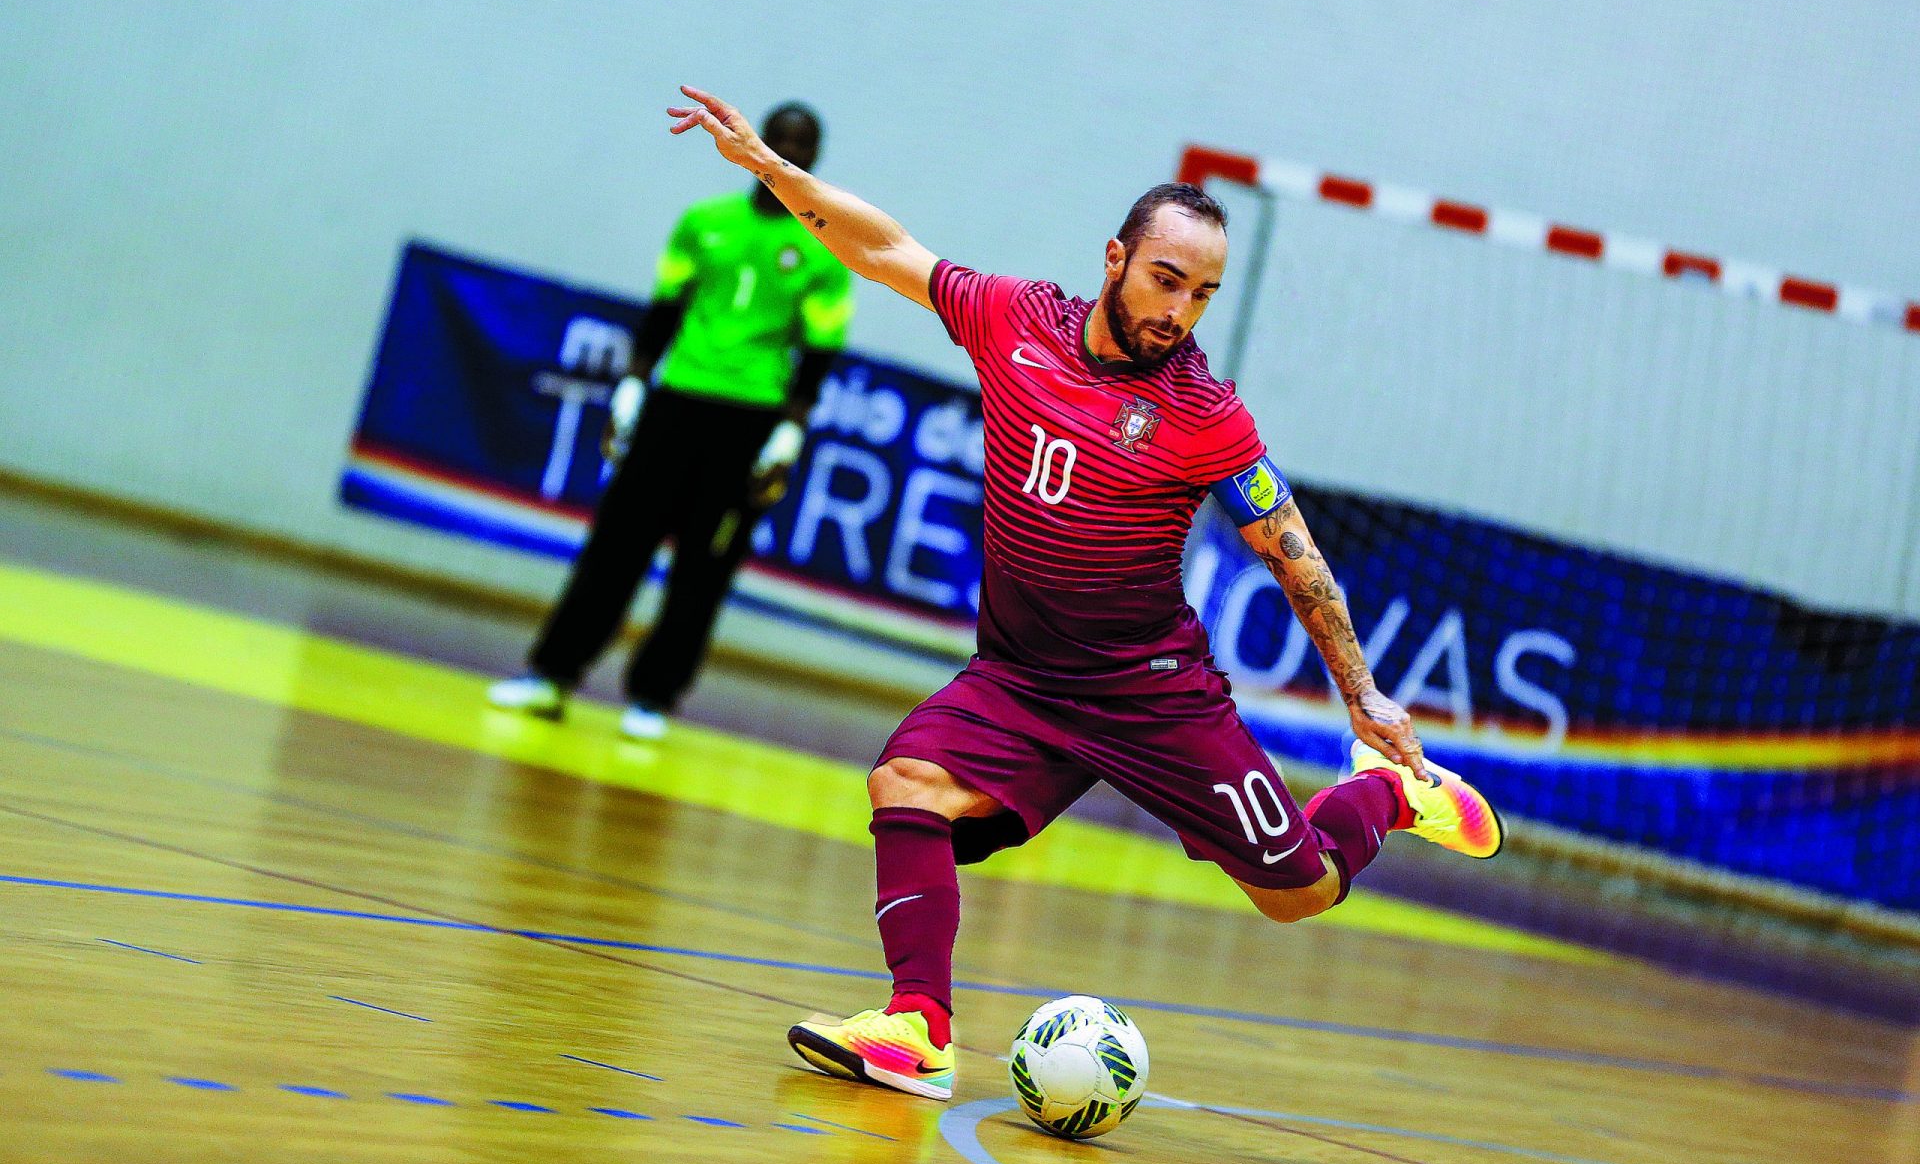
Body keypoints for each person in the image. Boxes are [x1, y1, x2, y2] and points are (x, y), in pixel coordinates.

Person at [667, 86, 1504, 1100]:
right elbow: (885, 247)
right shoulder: (1013, 320)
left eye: (1202, 294)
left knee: (1300, 891)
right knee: (906, 781)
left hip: (1151, 693)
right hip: (1021, 678)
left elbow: (1295, 551)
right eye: (1165, 280)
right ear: (1114, 259)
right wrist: (769, 167)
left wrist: (1364, 697)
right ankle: (919, 1024)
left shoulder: (1204, 412)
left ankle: (1390, 791)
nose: (1179, 312)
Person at [489, 102, 854, 739]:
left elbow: (819, 353)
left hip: (750, 417)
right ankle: (551, 674)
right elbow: (664, 307)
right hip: (677, 401)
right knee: (617, 543)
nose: (790, 153)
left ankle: (653, 697)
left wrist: (791, 429)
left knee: (704, 566)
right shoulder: (704, 221)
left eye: (804, 146)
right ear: (759, 143)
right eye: (782, 140)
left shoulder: (825, 249)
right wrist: (633, 382)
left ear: (814, 159)